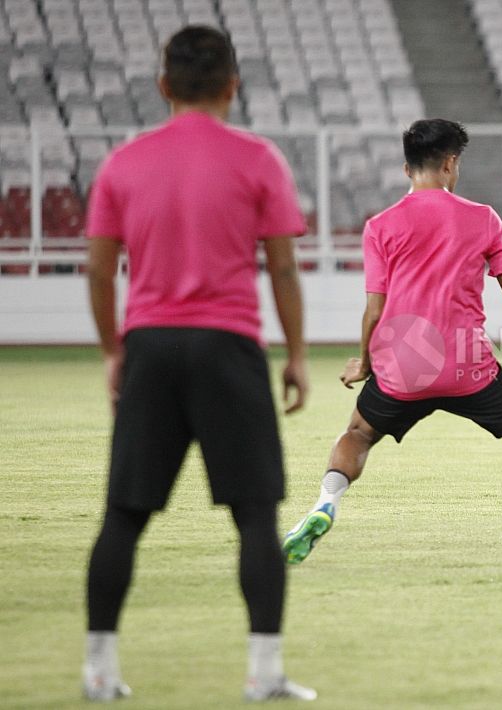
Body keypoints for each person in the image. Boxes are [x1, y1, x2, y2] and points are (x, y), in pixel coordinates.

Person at [84, 26, 314, 702]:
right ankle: (264, 674)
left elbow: (99, 271)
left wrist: (112, 351)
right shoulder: (259, 159)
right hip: (228, 347)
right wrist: (296, 354)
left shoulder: (122, 163)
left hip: (150, 347)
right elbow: (281, 267)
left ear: (163, 87)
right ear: (231, 87)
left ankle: (98, 672)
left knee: (123, 515)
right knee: (254, 518)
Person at [281, 119, 502, 562]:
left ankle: (324, 504)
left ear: (407, 168)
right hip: (468, 367)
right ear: (451, 164)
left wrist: (365, 363)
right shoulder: (482, 218)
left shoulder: (380, 227)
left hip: (402, 367)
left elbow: (374, 309)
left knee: (357, 433)